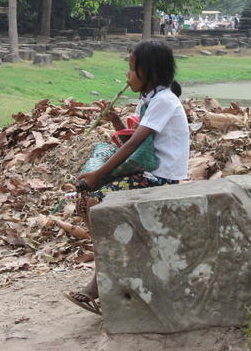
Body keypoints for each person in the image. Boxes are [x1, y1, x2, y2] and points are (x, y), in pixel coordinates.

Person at [65, 40, 190, 315]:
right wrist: (114, 121)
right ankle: (106, 265)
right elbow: (130, 139)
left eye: (132, 69)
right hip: (145, 172)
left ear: (151, 73)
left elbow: (133, 146)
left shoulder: (164, 101)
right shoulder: (148, 99)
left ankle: (101, 278)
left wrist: (99, 175)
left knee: (95, 199)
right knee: (84, 199)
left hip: (160, 178)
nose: (128, 75)